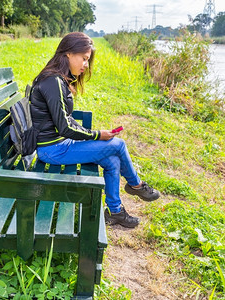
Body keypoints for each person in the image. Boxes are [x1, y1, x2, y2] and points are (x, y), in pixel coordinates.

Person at [30, 32, 160, 228]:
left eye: (87, 60)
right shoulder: (53, 81)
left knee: (112, 159)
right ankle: (136, 185)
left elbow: (67, 120)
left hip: (61, 145)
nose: (85, 65)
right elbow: (64, 127)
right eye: (83, 59)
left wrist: (93, 135)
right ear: (67, 54)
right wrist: (98, 135)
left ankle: (115, 211)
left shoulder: (59, 80)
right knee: (118, 144)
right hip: (53, 149)